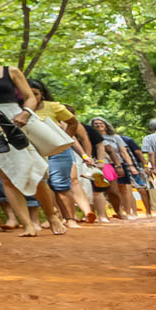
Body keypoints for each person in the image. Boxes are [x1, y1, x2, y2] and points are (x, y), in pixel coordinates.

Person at [0, 34, 69, 237]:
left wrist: (25, 114)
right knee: (6, 176)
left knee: (35, 171)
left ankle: (52, 216)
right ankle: (27, 224)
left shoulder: (10, 71)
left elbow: (29, 97)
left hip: (15, 120)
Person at [28, 79, 96, 222]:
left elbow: (73, 123)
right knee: (42, 184)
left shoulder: (53, 107)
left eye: (36, 94)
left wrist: (64, 142)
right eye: (29, 94)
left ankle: (70, 219)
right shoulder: (19, 110)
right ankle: (52, 217)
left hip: (58, 152)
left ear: (42, 94)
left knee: (62, 185)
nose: (33, 97)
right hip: (33, 152)